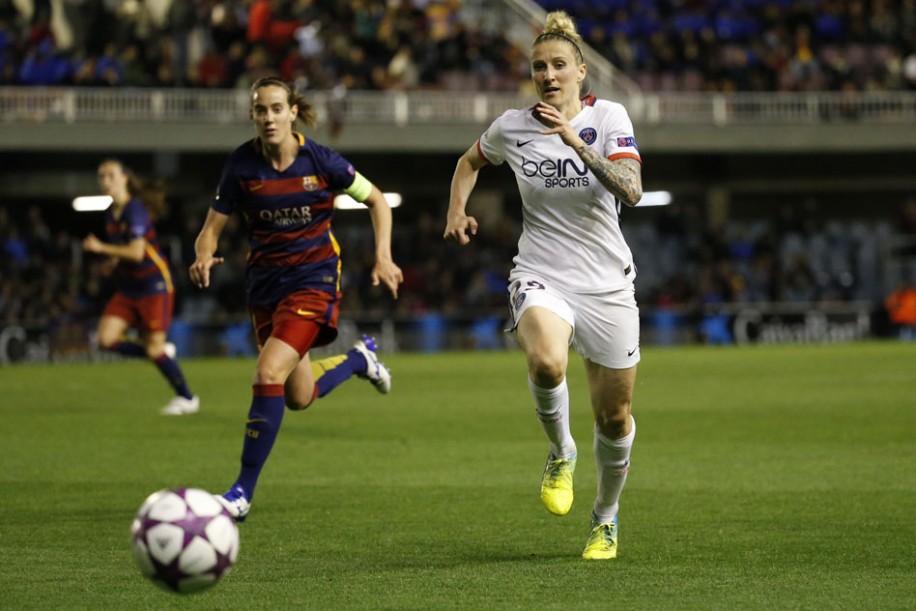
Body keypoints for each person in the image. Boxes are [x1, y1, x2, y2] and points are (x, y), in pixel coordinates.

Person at [444, 11, 643, 560]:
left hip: (606, 285)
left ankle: (605, 518)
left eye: (559, 65)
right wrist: (457, 210)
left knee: (615, 416)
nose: (549, 75)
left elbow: (631, 191)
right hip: (542, 273)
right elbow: (468, 161)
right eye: (539, 67)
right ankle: (561, 452)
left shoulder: (610, 119)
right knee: (547, 362)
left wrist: (577, 143)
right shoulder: (512, 126)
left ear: (581, 71)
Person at [190, 76, 403, 522]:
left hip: (314, 281)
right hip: (265, 287)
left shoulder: (321, 160)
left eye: (275, 108)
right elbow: (211, 230)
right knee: (298, 396)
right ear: (253, 115)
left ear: (292, 111)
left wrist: (382, 257)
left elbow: (378, 201)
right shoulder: (241, 166)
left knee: (267, 371)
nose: (268, 117)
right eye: (260, 110)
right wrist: (204, 256)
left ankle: (241, 493)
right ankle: (359, 361)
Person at [82, 159, 200, 416]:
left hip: (154, 285)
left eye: (111, 175)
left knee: (153, 348)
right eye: (101, 177)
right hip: (129, 287)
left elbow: (136, 253)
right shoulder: (111, 213)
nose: (105, 181)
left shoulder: (134, 210)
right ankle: (157, 352)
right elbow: (125, 248)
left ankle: (187, 398)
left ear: (125, 178)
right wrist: (111, 262)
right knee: (105, 340)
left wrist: (101, 248)